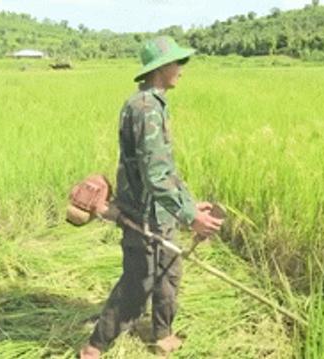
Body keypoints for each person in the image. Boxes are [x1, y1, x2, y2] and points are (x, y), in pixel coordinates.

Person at [80, 36, 224, 359]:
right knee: (139, 283)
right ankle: (94, 345)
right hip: (143, 212)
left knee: (168, 273)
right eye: (178, 63)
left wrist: (188, 202)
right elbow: (154, 176)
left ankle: (162, 334)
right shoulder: (145, 109)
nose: (181, 70)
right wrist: (192, 217)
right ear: (161, 68)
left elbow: (165, 167)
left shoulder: (153, 104)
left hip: (162, 213)